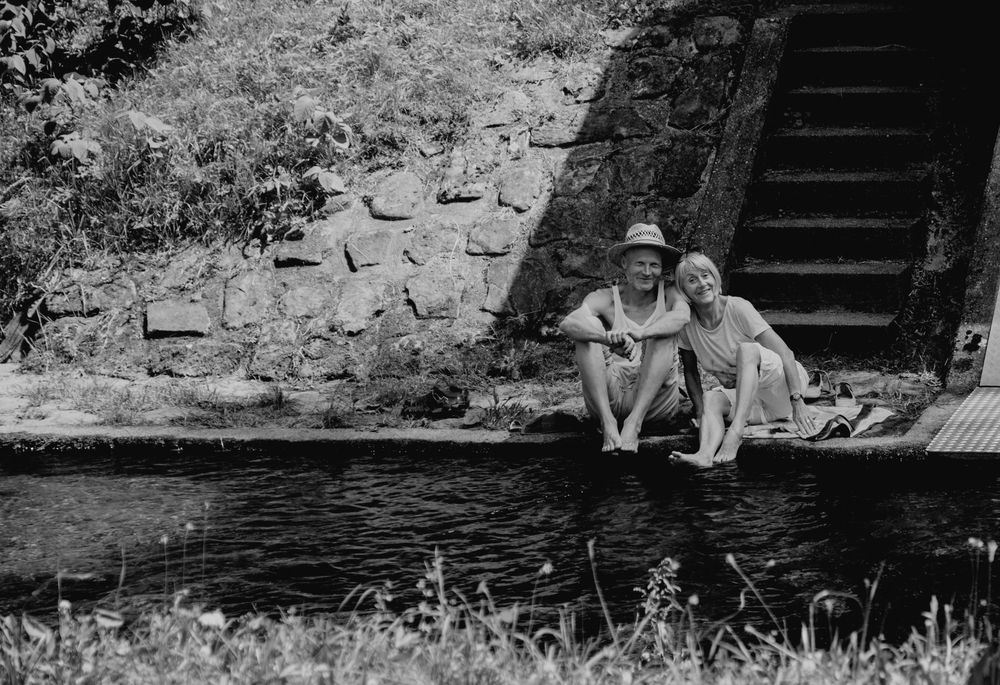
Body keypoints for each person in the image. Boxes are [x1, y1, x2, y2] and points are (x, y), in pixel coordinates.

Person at [669, 251, 816, 466]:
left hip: (782, 386)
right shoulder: (687, 323)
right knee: (710, 398)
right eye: (692, 280)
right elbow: (690, 372)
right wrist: (701, 412)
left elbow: (785, 353)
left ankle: (735, 433)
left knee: (747, 350)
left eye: (705, 275)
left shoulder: (738, 307)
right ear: (684, 290)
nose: (701, 284)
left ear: (714, 277)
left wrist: (798, 400)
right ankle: (704, 455)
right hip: (756, 404)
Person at [558, 223, 690, 453]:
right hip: (610, 397)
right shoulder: (605, 298)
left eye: (654, 265)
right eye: (640, 263)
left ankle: (634, 423)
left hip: (655, 403)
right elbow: (568, 323)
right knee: (586, 330)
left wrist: (641, 333)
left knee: (663, 332)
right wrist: (605, 338)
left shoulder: (670, 293)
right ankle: (607, 422)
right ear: (624, 264)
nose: (647, 272)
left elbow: (682, 317)